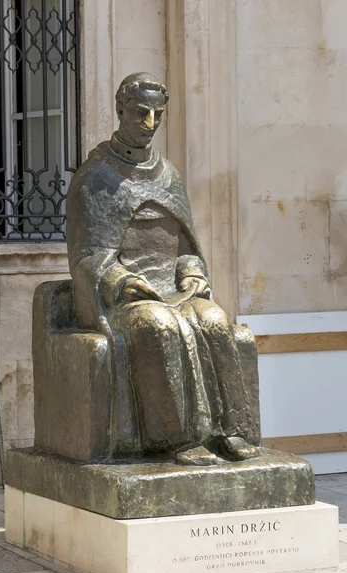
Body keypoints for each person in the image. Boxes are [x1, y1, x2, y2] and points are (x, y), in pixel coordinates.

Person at [66, 73, 259, 465]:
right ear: (120, 110)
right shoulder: (95, 177)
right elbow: (86, 256)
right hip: (124, 297)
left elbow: (185, 246)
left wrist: (192, 273)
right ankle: (177, 440)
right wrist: (123, 280)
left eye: (158, 114)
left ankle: (230, 431)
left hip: (175, 289)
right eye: (140, 113)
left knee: (215, 320)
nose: (150, 123)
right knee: (158, 325)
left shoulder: (168, 174)